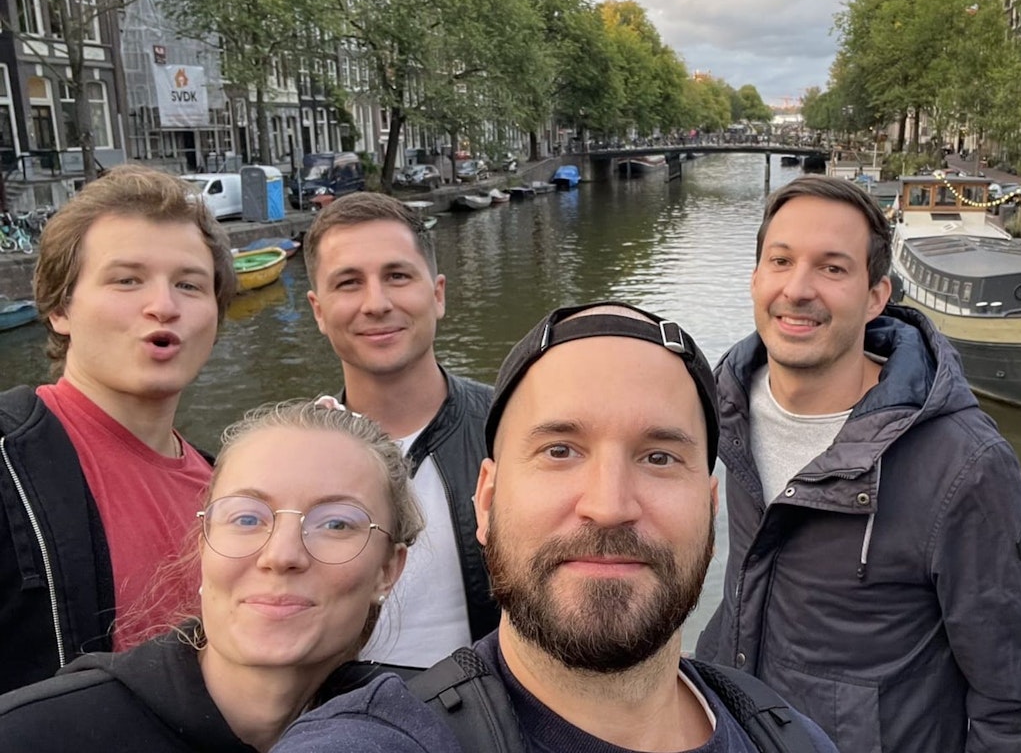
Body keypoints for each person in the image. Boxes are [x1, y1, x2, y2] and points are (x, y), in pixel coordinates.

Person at [273, 303, 838, 753]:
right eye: (560, 450)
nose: (609, 506)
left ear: (710, 511)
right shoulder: (380, 738)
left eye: (659, 458)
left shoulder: (792, 738)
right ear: (487, 501)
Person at [696, 175, 1021, 752]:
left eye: (832, 268)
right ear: (755, 278)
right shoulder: (719, 407)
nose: (798, 288)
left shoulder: (964, 465)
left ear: (875, 296)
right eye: (781, 261)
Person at [0, 400, 421, 751]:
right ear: (204, 545)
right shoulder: (31, 736)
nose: (281, 555)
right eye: (247, 518)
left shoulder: (419, 732)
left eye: (335, 524)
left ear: (388, 570)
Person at [0, 165, 236, 694]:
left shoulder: (230, 489)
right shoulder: (7, 464)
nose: (164, 306)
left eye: (189, 285)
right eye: (127, 280)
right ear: (60, 308)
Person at [304, 192, 497, 668]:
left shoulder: (510, 430)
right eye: (349, 283)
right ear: (319, 311)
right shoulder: (289, 458)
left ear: (438, 294)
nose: (376, 303)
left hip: (490, 703)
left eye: (397, 276)